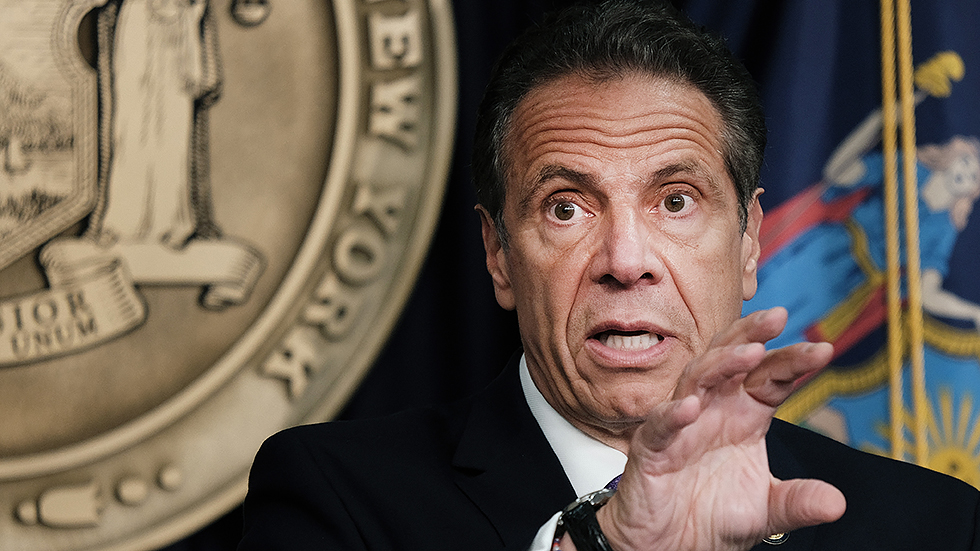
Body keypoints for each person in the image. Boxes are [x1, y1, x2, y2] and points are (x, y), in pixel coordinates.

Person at [238, 2, 980, 550]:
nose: (626, 261)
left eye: (676, 200)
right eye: (566, 208)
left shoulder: (930, 525)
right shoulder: (336, 499)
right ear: (498, 253)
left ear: (751, 242)